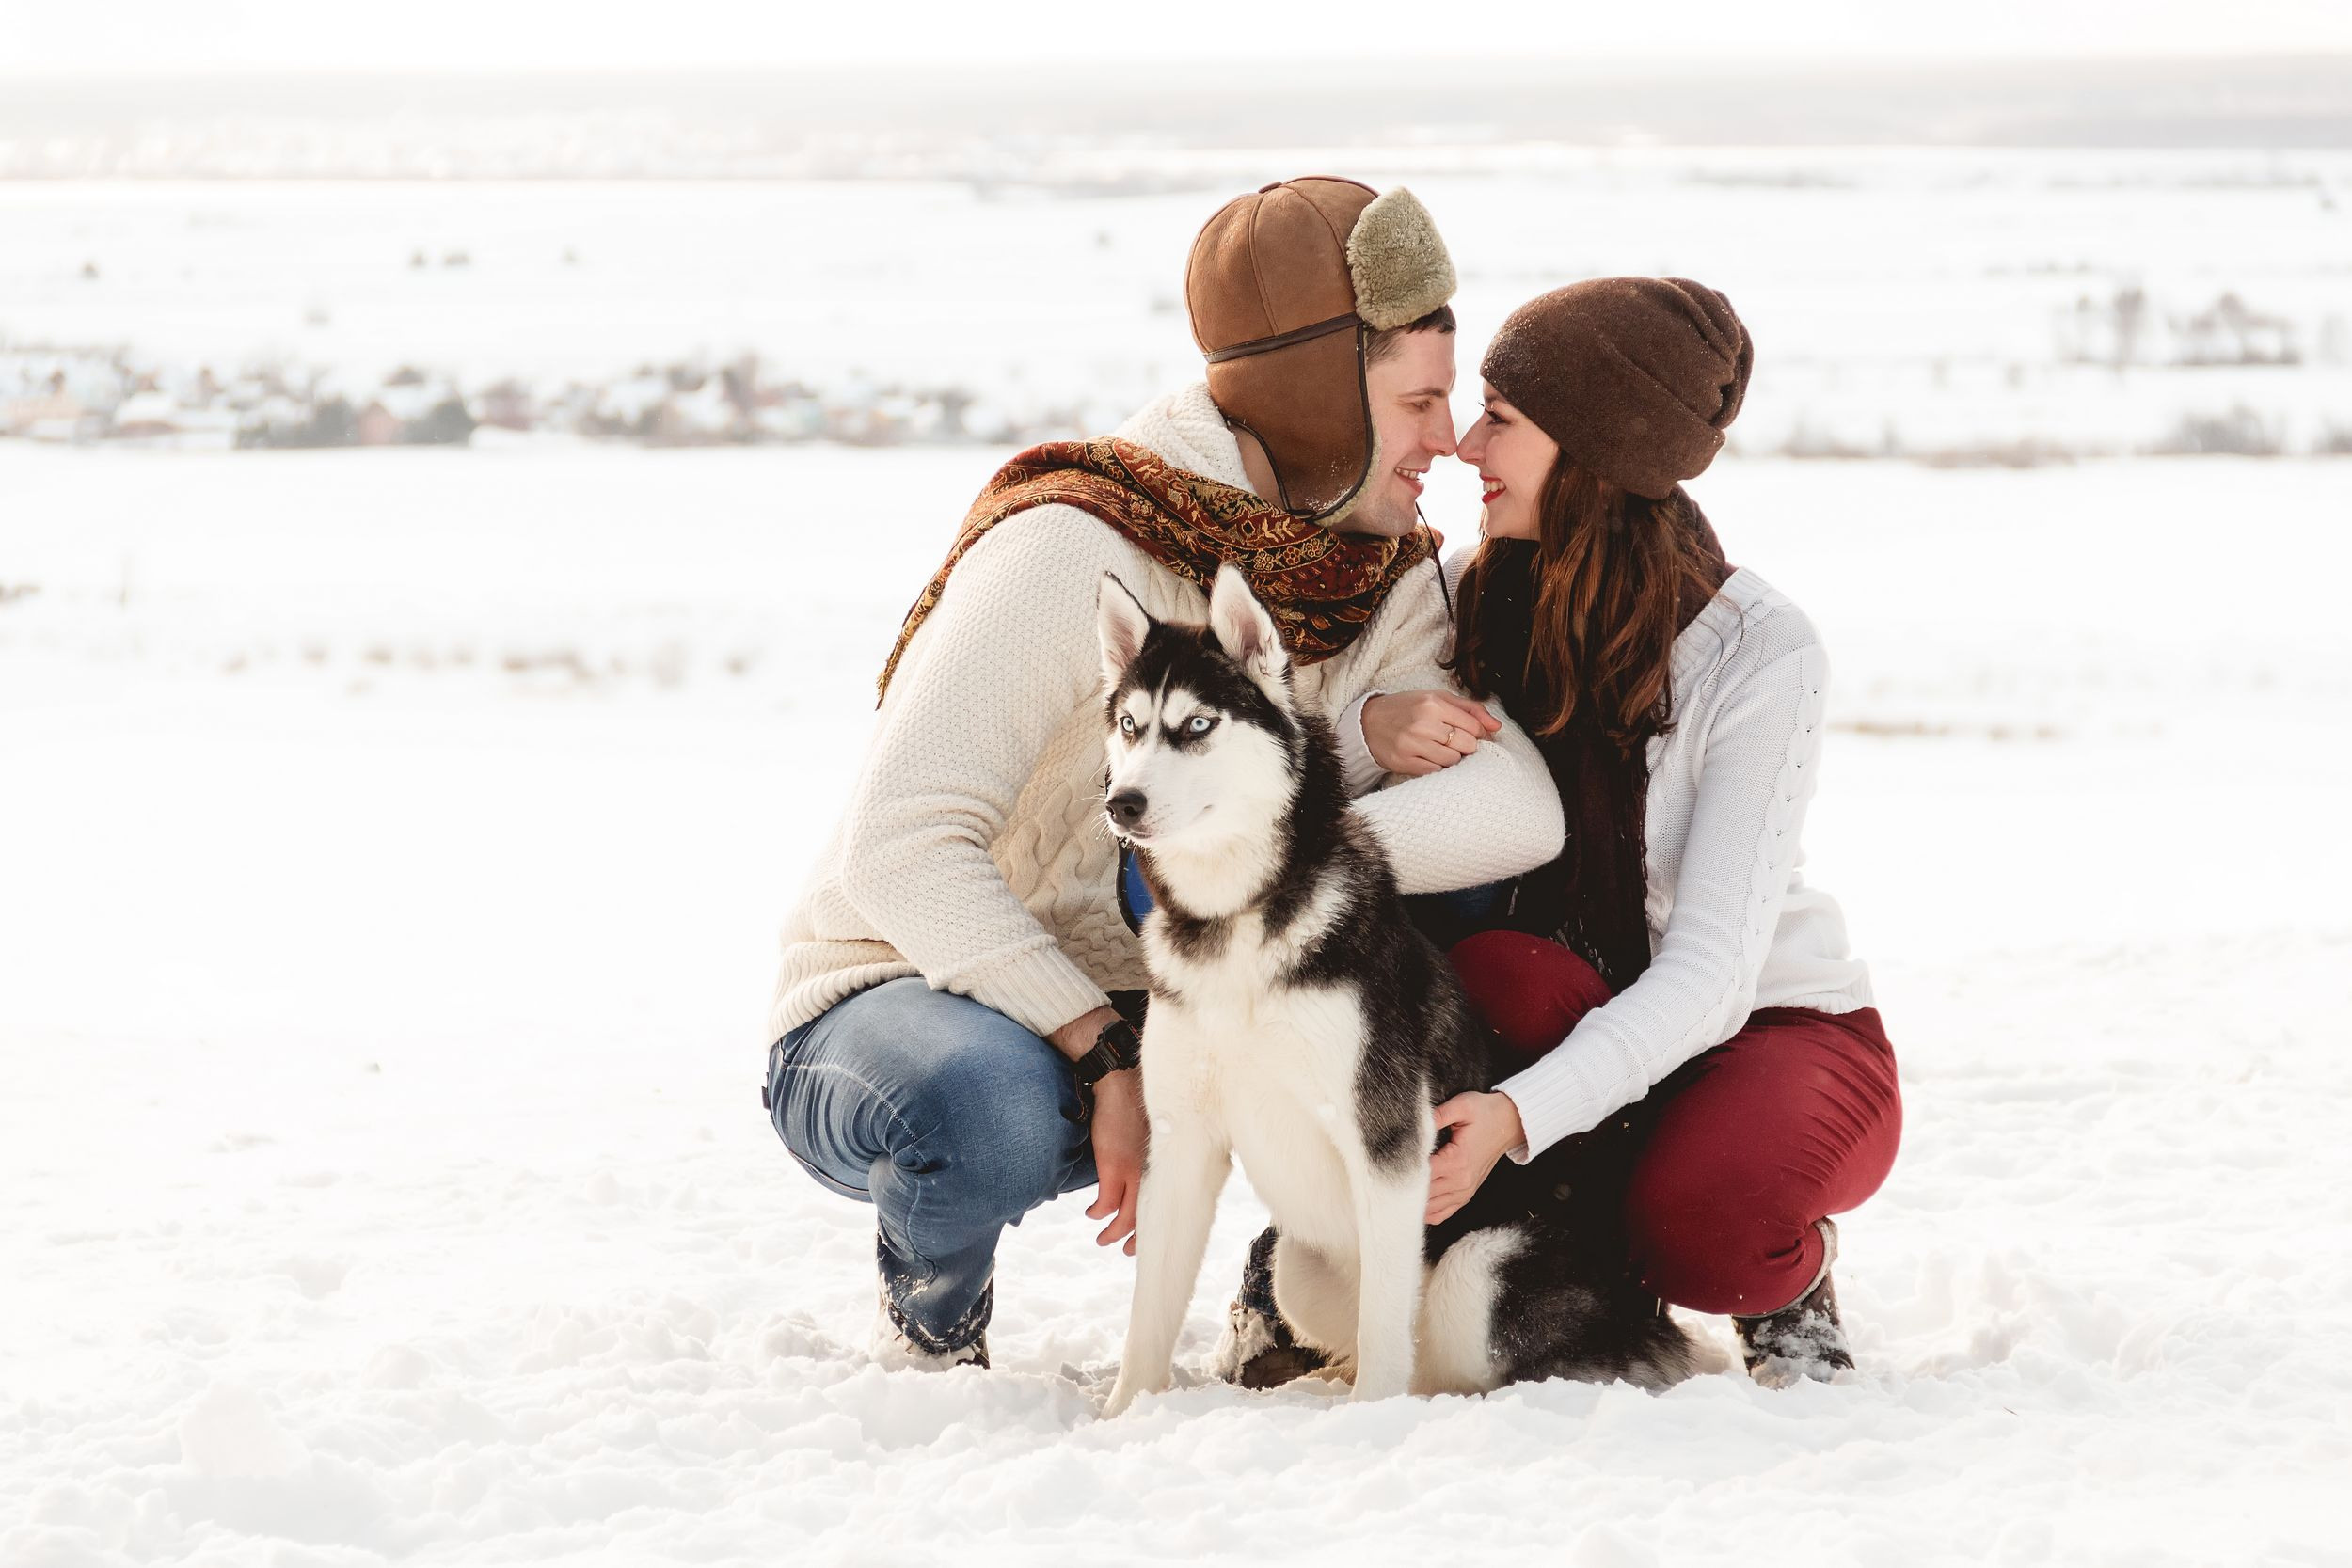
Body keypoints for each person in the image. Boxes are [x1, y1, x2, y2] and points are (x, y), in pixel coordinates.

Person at [761, 177, 1566, 1370]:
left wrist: (1311, 796)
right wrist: (1099, 1047)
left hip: (1174, 978)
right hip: (911, 987)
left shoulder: (1380, 575)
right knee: (982, 1108)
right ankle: (931, 1316)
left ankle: (1300, 1277)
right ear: (1315, 402)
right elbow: (899, 846)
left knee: (1428, 922)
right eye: (1417, 401)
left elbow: (1518, 810)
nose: (1445, 443)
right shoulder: (1074, 541)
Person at [1223, 277, 1902, 1386]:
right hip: (1561, 1004)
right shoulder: (1463, 591)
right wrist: (1368, 722)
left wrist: (1518, 1114)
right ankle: (1330, 1252)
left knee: (1707, 1233)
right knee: (1490, 971)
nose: (1464, 444)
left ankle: (1786, 1276)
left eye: (1503, 418)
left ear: (1591, 451)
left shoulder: (1756, 650)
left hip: (1761, 1021)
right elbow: (1302, 756)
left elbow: (1712, 972)